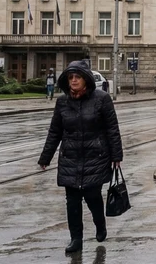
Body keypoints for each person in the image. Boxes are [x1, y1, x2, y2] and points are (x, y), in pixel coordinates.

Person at [37, 60, 123, 254]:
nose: (73, 81)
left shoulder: (102, 99)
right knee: (72, 200)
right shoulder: (62, 102)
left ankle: (100, 225)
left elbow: (112, 129)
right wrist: (45, 157)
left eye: (77, 77)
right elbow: (55, 131)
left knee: (92, 196)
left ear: (86, 80)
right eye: (70, 78)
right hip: (70, 157)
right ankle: (76, 239)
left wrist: (116, 155)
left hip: (96, 155)